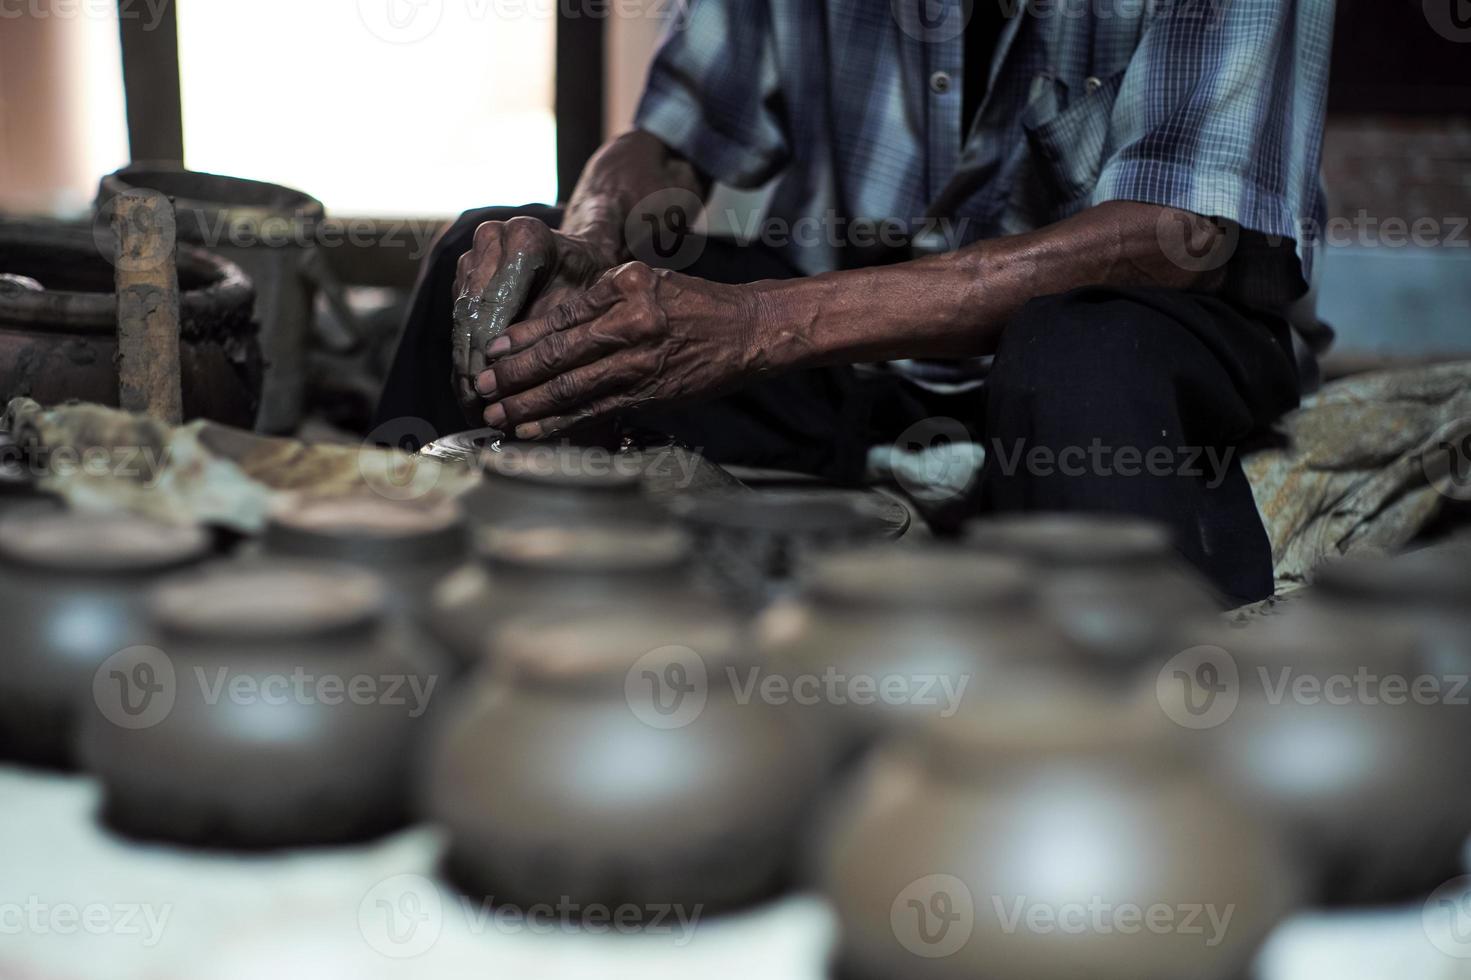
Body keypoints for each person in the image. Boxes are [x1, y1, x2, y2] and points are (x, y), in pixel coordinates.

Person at [378, 0, 1334, 604]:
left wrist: (757, 327)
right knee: (491, 253)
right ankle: (383, 605)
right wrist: (589, 239)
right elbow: (673, 135)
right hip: (850, 346)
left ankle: (1125, 724)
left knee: (1077, 360)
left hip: (1140, 331)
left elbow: (1179, 240)